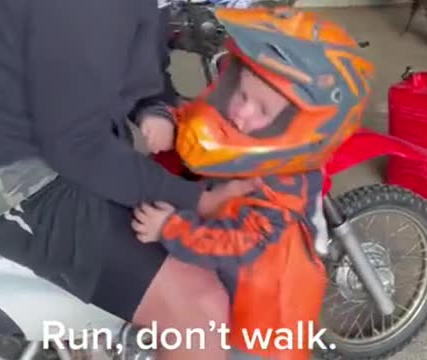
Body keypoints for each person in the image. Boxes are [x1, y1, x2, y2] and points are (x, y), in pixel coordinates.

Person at [0, 1, 255, 359]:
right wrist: (195, 198)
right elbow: (77, 148)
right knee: (197, 308)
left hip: (48, 137)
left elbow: (133, 55)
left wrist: (153, 106)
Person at [132, 6, 375, 359]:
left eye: (261, 110)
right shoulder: (247, 132)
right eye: (240, 94)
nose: (240, 113)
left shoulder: (284, 188)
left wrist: (170, 229)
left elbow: (235, 243)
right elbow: (200, 116)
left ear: (302, 129)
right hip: (226, 291)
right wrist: (160, 116)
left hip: (262, 328)